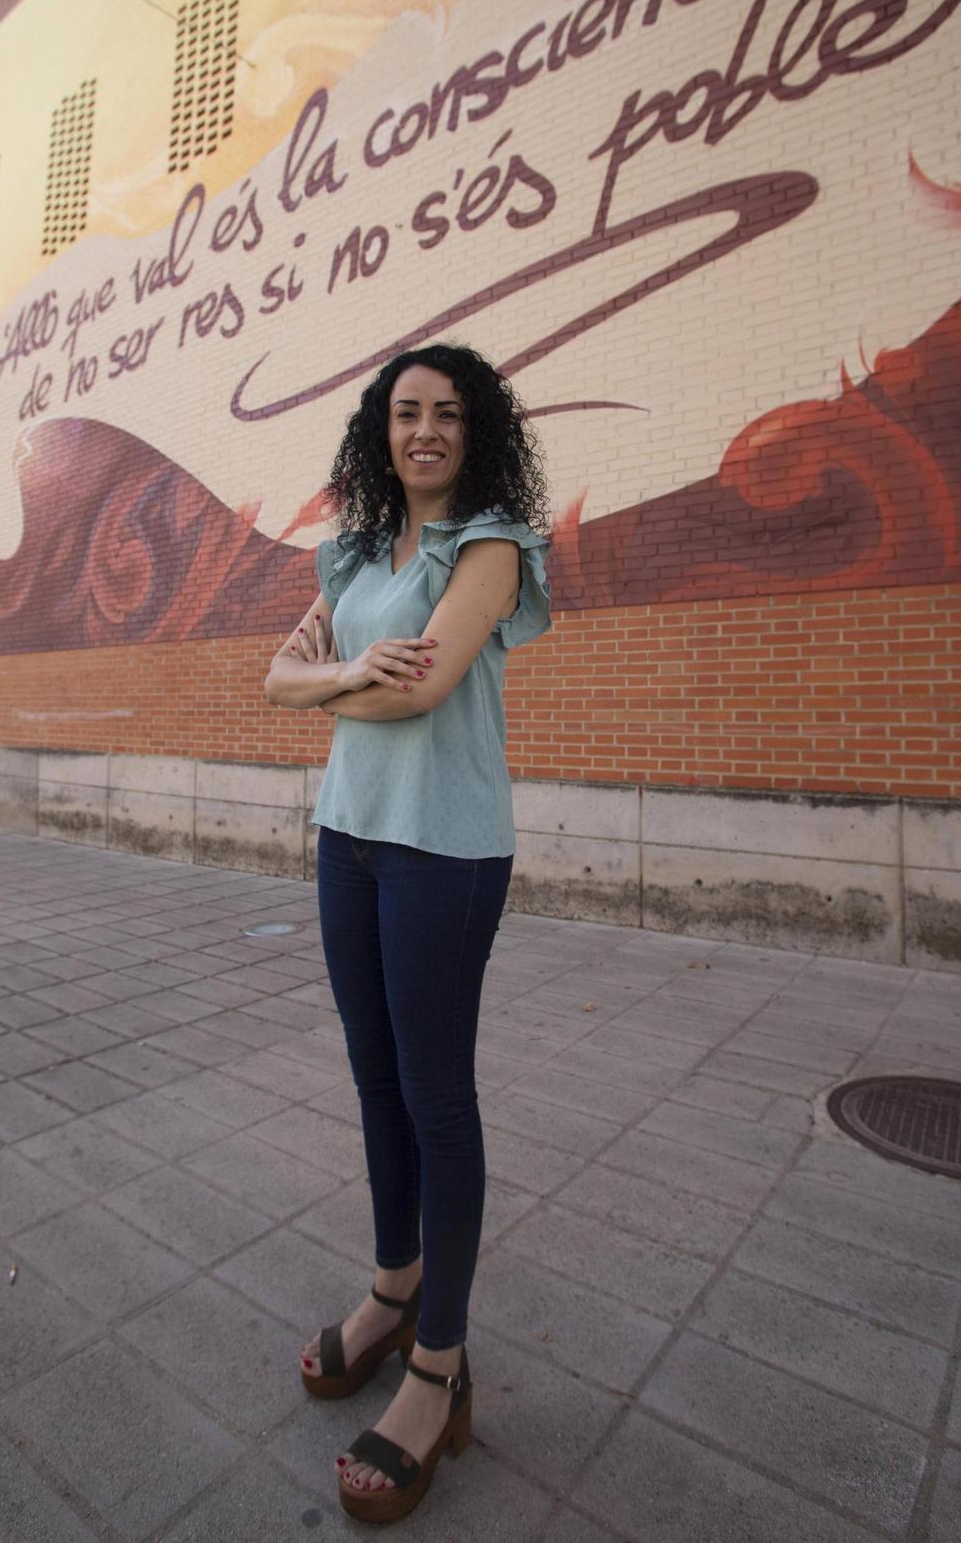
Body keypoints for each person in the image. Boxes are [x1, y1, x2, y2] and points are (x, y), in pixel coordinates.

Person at [263, 341, 551, 1522]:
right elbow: (274, 680)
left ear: (473, 427)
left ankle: (440, 1365)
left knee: (438, 1093)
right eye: (403, 414)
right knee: (375, 1080)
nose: (422, 430)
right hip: (350, 833)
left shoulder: (487, 546)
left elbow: (422, 689)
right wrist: (324, 681)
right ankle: (394, 1290)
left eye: (444, 413)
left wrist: (329, 683)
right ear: (379, 432)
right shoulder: (350, 550)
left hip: (446, 845)